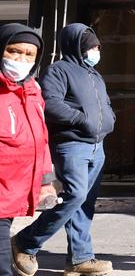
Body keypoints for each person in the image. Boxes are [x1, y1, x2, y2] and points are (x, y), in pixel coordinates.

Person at [13, 23, 115, 276]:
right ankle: (26, 242)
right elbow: (51, 105)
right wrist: (82, 120)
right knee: (75, 196)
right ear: (77, 46)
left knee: (85, 204)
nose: (96, 50)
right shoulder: (58, 71)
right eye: (91, 46)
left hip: (97, 147)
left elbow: (106, 106)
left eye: (97, 46)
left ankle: (80, 259)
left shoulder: (94, 75)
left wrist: (110, 118)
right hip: (72, 145)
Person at [0, 24, 56, 276]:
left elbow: (40, 139)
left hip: (15, 190)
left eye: (28, 54)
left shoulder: (32, 91)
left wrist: (45, 181)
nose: (21, 59)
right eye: (13, 51)